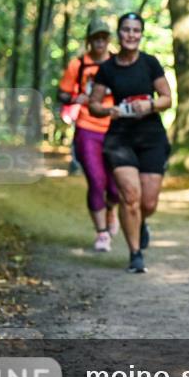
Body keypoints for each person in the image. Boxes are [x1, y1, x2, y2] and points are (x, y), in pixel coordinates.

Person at [88, 12, 173, 273]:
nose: (131, 35)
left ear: (141, 34)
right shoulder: (107, 68)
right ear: (120, 33)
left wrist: (149, 104)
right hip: (120, 139)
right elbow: (94, 104)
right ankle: (135, 254)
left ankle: (141, 223)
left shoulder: (150, 63)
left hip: (151, 137)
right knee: (130, 197)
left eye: (136, 30)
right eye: (126, 30)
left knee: (148, 203)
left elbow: (167, 98)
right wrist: (106, 111)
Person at [57, 18, 120, 251]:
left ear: (109, 40)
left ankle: (111, 211)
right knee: (96, 180)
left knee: (115, 187)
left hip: (115, 129)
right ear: (89, 41)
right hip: (87, 128)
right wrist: (75, 99)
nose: (100, 42)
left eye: (104, 38)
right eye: (96, 38)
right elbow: (61, 94)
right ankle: (102, 233)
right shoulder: (78, 65)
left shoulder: (117, 63)